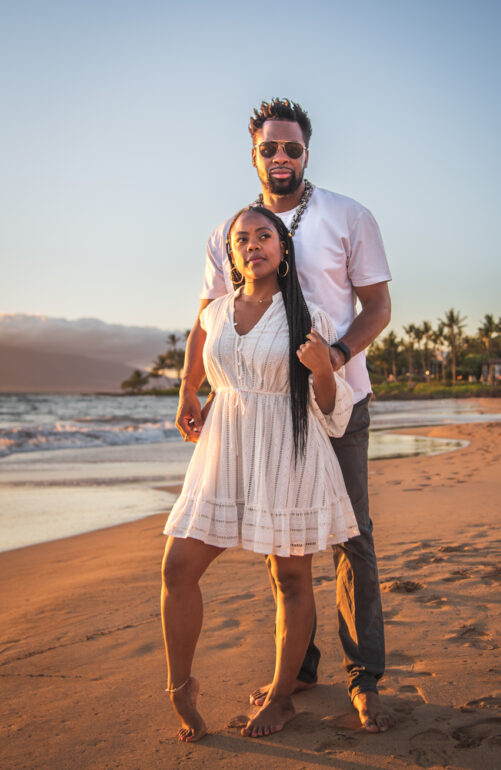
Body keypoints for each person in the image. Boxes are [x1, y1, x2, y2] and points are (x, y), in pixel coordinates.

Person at [176, 99, 394, 732]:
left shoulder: (349, 216)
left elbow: (377, 306)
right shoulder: (233, 229)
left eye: (291, 148)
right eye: (268, 148)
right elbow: (210, 316)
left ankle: (364, 678)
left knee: (352, 539)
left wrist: (336, 355)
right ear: (254, 154)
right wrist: (192, 389)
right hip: (260, 411)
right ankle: (298, 671)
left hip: (336, 401)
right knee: (282, 544)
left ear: (306, 153)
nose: (280, 157)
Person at [162, 205, 360, 741]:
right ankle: (181, 687)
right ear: (231, 253)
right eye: (242, 238)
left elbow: (329, 410)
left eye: (264, 235)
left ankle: (280, 697)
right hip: (225, 451)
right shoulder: (215, 313)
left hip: (289, 449)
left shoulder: (308, 314)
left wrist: (324, 369)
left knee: (290, 577)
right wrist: (190, 393)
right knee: (178, 567)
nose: (253, 245)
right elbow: (200, 355)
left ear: (282, 248)